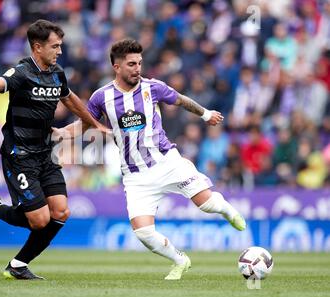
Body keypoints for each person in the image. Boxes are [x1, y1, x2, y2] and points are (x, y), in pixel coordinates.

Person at [55, 39, 246, 280]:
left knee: (207, 205)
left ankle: (228, 211)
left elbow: (181, 99)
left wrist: (206, 114)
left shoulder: (152, 88)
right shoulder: (101, 97)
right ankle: (180, 260)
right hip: (135, 176)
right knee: (143, 232)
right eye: (131, 64)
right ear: (117, 67)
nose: (137, 68)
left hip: (167, 163)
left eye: (139, 63)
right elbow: (85, 125)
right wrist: (62, 133)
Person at [0, 19, 108, 279]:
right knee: (39, 221)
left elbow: (68, 97)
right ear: (37, 47)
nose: (60, 51)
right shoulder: (21, 72)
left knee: (61, 212)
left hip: (46, 153)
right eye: (55, 46)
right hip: (20, 156)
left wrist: (90, 121)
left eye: (60, 46)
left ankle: (18, 265)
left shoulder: (56, 73)